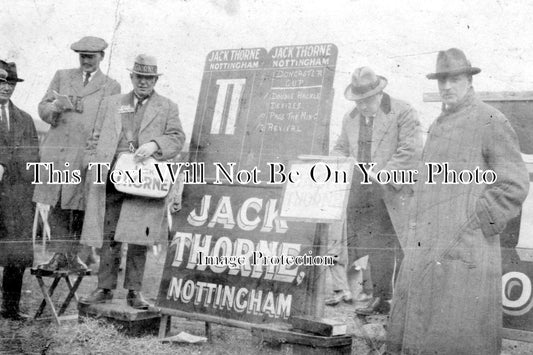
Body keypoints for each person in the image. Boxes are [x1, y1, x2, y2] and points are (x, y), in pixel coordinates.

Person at [387, 48, 530, 354]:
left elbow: (514, 182)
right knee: (421, 332)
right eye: (442, 80)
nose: (446, 87)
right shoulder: (438, 124)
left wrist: (476, 220)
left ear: (468, 80)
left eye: (454, 79)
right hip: (428, 247)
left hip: (467, 251)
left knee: (459, 335)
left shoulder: (490, 119)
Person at [80, 54, 185, 309]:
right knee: (110, 234)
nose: (144, 83)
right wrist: (94, 165)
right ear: (132, 77)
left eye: (149, 78)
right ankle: (104, 288)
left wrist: (154, 145)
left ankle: (134, 292)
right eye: (140, 77)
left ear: (155, 80)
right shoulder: (111, 103)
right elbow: (94, 139)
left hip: (145, 182)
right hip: (112, 178)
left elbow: (177, 138)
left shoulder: (167, 106)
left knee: (140, 236)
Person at [329, 67, 422, 314]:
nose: (362, 106)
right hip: (366, 197)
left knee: (404, 248)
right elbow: (340, 147)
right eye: (358, 101)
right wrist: (338, 161)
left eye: (367, 101)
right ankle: (382, 298)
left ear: (380, 94)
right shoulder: (350, 119)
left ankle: (407, 303)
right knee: (377, 248)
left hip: (396, 192)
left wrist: (383, 174)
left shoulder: (403, 112)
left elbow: (410, 150)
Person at [34, 36, 120, 271]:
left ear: (101, 57)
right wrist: (55, 107)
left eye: (91, 57)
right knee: (58, 203)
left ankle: (73, 256)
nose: (86, 61)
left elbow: (109, 124)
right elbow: (42, 107)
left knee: (81, 205)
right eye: (82, 56)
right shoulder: (62, 76)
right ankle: (58, 255)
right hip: (59, 152)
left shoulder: (111, 86)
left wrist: (97, 157)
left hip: (85, 156)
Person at [0, 62, 40, 320]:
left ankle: (10, 307)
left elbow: (33, 157)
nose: (6, 88)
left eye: (11, 83)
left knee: (17, 252)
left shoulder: (25, 120)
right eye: (2, 82)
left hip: (16, 195)